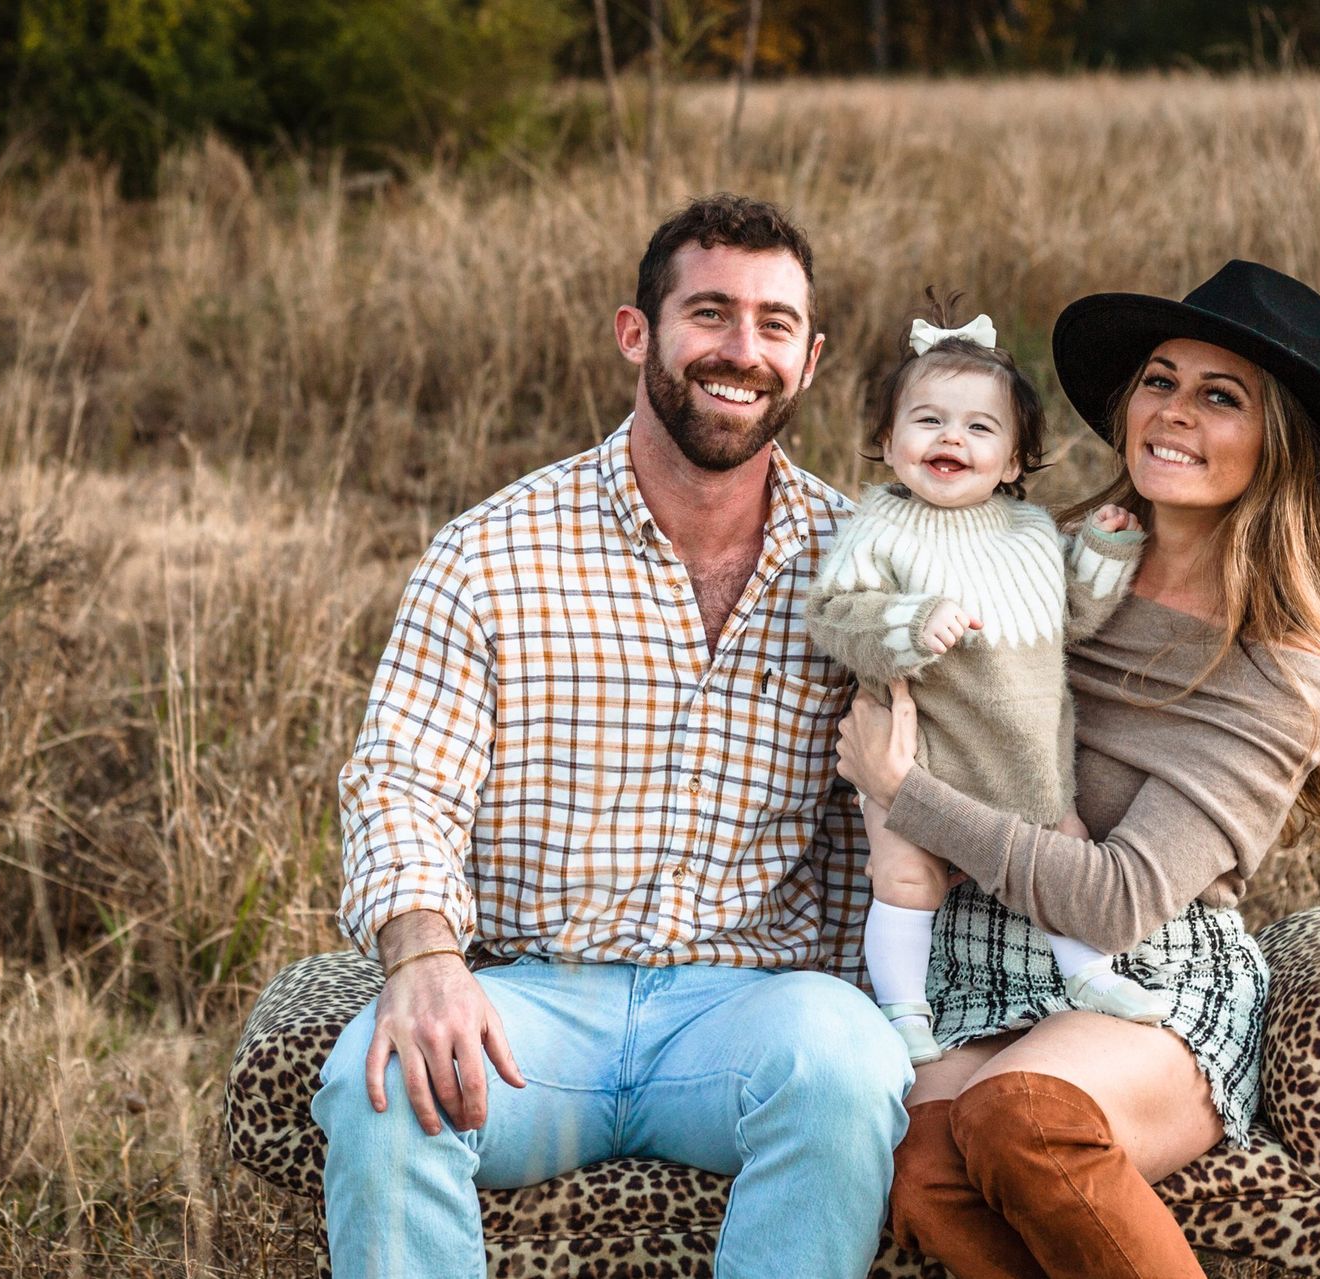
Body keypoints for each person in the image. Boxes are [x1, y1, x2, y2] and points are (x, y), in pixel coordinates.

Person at [309, 193, 912, 1279]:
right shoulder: (492, 554)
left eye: (775, 325)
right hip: (534, 1003)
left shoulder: (861, 567)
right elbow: (403, 781)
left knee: (847, 1063)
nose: (742, 351)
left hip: (751, 1012)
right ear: (638, 332)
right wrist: (427, 954)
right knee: (388, 1080)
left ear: (811, 358)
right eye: (711, 313)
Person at [835, 259, 1320, 1278]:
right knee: (919, 1165)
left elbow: (1118, 899)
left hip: (1148, 974)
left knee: (1024, 1118)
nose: (1172, 412)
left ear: (1281, 445)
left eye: (1219, 396)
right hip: (978, 958)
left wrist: (907, 792)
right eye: (1160, 379)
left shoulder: (1281, 661)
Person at [804, 298, 1168, 1069]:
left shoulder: (1033, 533)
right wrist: (908, 624)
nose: (951, 439)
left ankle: (1091, 973)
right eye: (928, 420)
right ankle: (903, 1008)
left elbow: (1077, 614)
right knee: (905, 876)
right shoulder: (880, 526)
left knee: (1061, 850)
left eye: (979, 428)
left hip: (1024, 755)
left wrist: (1103, 551)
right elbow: (835, 615)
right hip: (923, 751)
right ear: (889, 443)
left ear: (1011, 462)